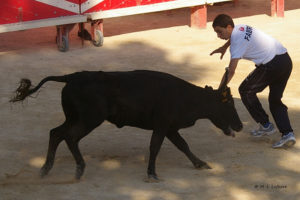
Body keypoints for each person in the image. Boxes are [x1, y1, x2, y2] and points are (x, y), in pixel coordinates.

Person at [210, 14, 296, 148]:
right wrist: (224, 47)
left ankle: (266, 125)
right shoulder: (240, 27)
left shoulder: (236, 44)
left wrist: (220, 90)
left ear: (228, 27)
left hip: (271, 65)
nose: (218, 36)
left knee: (245, 90)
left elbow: (231, 71)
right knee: (275, 100)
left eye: (219, 32)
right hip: (285, 60)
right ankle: (287, 134)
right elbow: (233, 38)